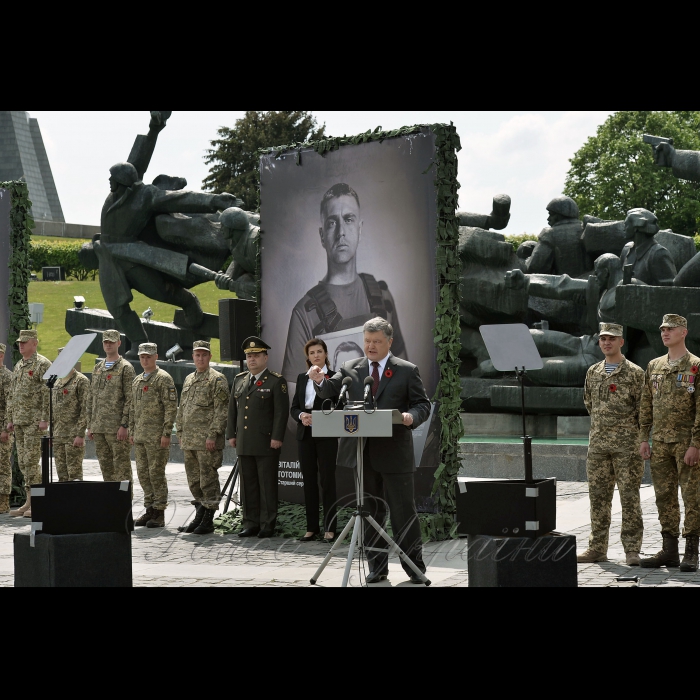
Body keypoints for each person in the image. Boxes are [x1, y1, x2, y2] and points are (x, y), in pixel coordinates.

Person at [309, 317, 431, 584]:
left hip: (394, 454)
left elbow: (423, 404)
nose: (370, 346)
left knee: (403, 513)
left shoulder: (407, 370)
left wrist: (411, 416)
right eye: (367, 341)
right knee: (369, 513)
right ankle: (377, 568)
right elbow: (331, 389)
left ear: (389, 341)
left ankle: (415, 567)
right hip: (361, 454)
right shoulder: (351, 367)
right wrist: (319, 380)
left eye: (376, 341)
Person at [282, 183, 407, 395]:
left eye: (348, 219)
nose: (341, 232)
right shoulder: (304, 312)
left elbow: (403, 372)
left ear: (359, 229)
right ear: (322, 235)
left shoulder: (382, 296)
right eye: (332, 223)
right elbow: (296, 398)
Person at [576, 323, 646, 565]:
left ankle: (632, 549)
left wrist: (637, 438)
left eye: (612, 338)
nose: (607, 342)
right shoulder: (593, 372)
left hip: (627, 447)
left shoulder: (635, 373)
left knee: (629, 498)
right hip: (598, 446)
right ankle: (597, 548)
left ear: (621, 342)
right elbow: (589, 404)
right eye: (603, 338)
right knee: (598, 498)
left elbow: (643, 410)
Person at [639, 314, 700, 571]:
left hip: (686, 442)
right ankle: (669, 550)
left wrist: (696, 443)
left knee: (692, 496)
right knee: (664, 496)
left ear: (683, 332)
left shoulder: (695, 365)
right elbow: (646, 403)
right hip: (661, 442)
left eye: (671, 329)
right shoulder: (654, 366)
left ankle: (691, 552)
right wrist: (644, 438)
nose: (665, 333)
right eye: (663, 329)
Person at [227, 337, 289, 538]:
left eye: (256, 355)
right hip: (244, 441)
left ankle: (267, 524)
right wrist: (231, 434)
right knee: (248, 485)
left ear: (265, 357)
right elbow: (232, 411)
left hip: (266, 441)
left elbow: (281, 412)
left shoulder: (275, 381)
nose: (251, 359)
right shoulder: (240, 380)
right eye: (248, 356)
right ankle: (250, 522)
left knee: (266, 485)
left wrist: (277, 436)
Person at [176, 340, 230, 535]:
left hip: (207, 441)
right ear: (193, 357)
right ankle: (200, 513)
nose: (200, 358)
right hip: (189, 440)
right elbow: (182, 409)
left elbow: (222, 411)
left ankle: (208, 518)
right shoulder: (190, 378)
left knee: (207, 479)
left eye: (204, 355)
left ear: (209, 357)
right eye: (197, 355)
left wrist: (213, 435)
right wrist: (180, 432)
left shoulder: (217, 379)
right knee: (194, 481)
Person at [290, 338, 339, 542]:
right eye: (312, 353)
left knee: (327, 481)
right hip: (305, 432)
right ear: (308, 357)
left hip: (326, 432)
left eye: (319, 351)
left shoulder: (335, 377)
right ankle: (311, 528)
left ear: (326, 354)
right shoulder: (302, 378)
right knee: (308, 481)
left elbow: (339, 404)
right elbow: (294, 407)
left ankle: (330, 528)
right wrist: (302, 416)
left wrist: (319, 415)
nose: (316, 355)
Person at [129, 343, 177, 529]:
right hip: (140, 436)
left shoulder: (163, 379)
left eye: (148, 356)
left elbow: (170, 408)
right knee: (143, 474)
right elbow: (133, 409)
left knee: (156, 473)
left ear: (156, 357)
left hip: (156, 437)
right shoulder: (138, 380)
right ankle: (149, 508)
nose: (145, 360)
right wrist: (132, 432)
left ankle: (159, 512)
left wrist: (167, 433)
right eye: (142, 357)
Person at [6, 330, 50, 518]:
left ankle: (39, 502)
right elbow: (13, 394)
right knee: (23, 463)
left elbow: (47, 393)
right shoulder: (19, 365)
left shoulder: (42, 364)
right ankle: (29, 501)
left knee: (31, 462)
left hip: (33, 422)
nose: (21, 345)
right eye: (19, 342)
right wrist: (10, 419)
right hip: (20, 421)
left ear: (35, 343)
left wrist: (44, 418)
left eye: (25, 342)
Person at [87, 329, 135, 487]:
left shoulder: (125, 368)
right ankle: (112, 505)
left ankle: (124, 506)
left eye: (111, 342)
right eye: (106, 342)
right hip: (99, 428)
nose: (108, 345)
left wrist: (125, 425)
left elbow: (130, 399)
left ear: (119, 343)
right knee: (106, 470)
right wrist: (90, 425)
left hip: (116, 429)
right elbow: (91, 397)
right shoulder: (98, 368)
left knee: (122, 470)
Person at [522, 196, 590, 278]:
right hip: (594, 286)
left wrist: (526, 260)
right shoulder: (587, 228)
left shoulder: (550, 233)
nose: (548, 219)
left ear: (560, 214)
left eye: (551, 214)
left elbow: (535, 267)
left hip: (566, 287)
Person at [51, 350, 89, 482]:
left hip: (73, 436)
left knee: (74, 475)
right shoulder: (56, 382)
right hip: (58, 436)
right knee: (62, 476)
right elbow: (53, 409)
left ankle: (77, 502)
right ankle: (64, 502)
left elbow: (86, 409)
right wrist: (52, 433)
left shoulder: (81, 381)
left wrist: (80, 434)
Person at [619, 208, 676, 286]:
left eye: (626, 225)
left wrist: (636, 283)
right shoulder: (626, 250)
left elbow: (670, 291)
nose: (623, 229)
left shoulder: (658, 254)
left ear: (636, 228)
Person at [0, 343, 14, 514]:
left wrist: (5, 429)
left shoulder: (7, 377)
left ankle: (3, 502)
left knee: (3, 466)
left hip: (2, 430)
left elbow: (10, 405)